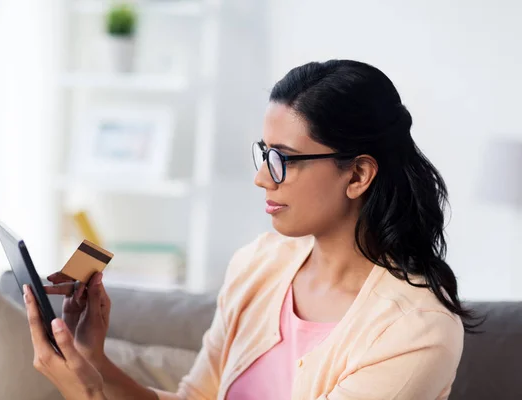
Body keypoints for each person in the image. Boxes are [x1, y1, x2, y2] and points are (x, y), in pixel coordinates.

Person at [23, 59, 479, 400]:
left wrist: (87, 393)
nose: (262, 177)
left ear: (358, 175)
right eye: (264, 153)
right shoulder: (260, 262)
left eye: (282, 159)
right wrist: (94, 361)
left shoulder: (416, 329)